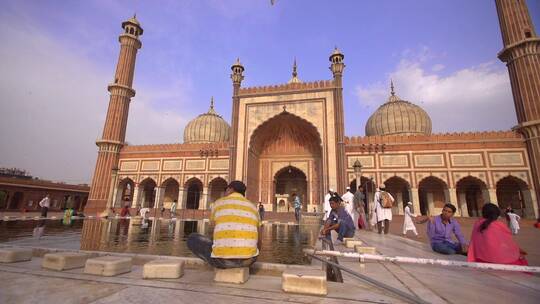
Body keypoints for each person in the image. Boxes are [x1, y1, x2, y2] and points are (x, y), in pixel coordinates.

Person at [187, 180, 260, 269]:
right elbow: (259, 238)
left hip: (222, 261)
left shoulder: (218, 203)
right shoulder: (253, 207)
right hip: (249, 261)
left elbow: (213, 228)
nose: (225, 192)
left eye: (226, 189)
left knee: (192, 238)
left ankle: (222, 259)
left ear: (230, 189)